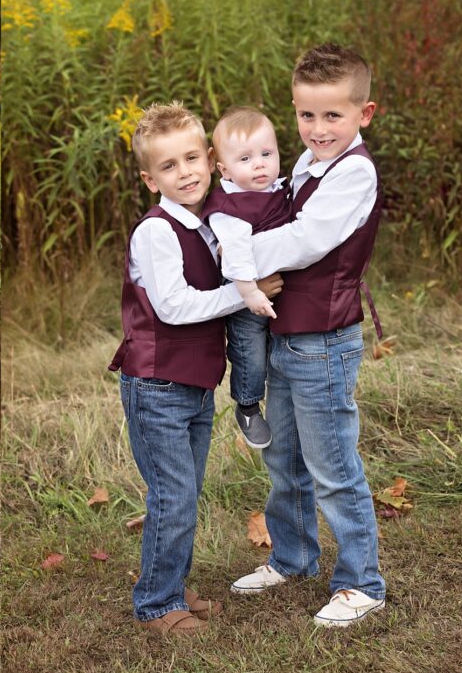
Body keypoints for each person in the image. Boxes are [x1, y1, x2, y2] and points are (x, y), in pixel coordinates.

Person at [108, 102, 282, 634]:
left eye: (191, 159)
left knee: (185, 493)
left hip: (195, 385)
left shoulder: (212, 222)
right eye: (168, 166)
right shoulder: (156, 232)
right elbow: (174, 307)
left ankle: (172, 586)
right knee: (173, 496)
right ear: (148, 178)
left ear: (210, 158)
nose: (183, 172)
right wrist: (244, 294)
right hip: (157, 383)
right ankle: (157, 605)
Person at [230, 43, 387, 628]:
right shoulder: (304, 163)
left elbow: (303, 242)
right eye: (306, 115)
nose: (317, 128)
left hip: (323, 342)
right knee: (285, 460)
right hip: (285, 337)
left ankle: (361, 582)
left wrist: (231, 255)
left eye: (332, 116)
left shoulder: (355, 173)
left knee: (333, 468)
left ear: (363, 114)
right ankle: (293, 558)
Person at [202, 106, 291, 449]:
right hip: (245, 291)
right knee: (250, 348)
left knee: (276, 347)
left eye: (267, 154)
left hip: (280, 287)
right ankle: (248, 405)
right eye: (245, 159)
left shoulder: (279, 189)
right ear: (223, 169)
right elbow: (236, 255)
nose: (259, 164)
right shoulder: (229, 208)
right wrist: (250, 294)